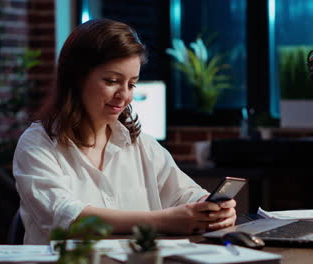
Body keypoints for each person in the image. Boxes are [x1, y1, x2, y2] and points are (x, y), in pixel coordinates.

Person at [13, 18, 237, 244]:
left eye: (132, 84)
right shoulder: (37, 144)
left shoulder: (140, 145)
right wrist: (161, 221)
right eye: (112, 81)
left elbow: (184, 194)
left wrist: (210, 207)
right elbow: (66, 216)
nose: (124, 95)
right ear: (77, 78)